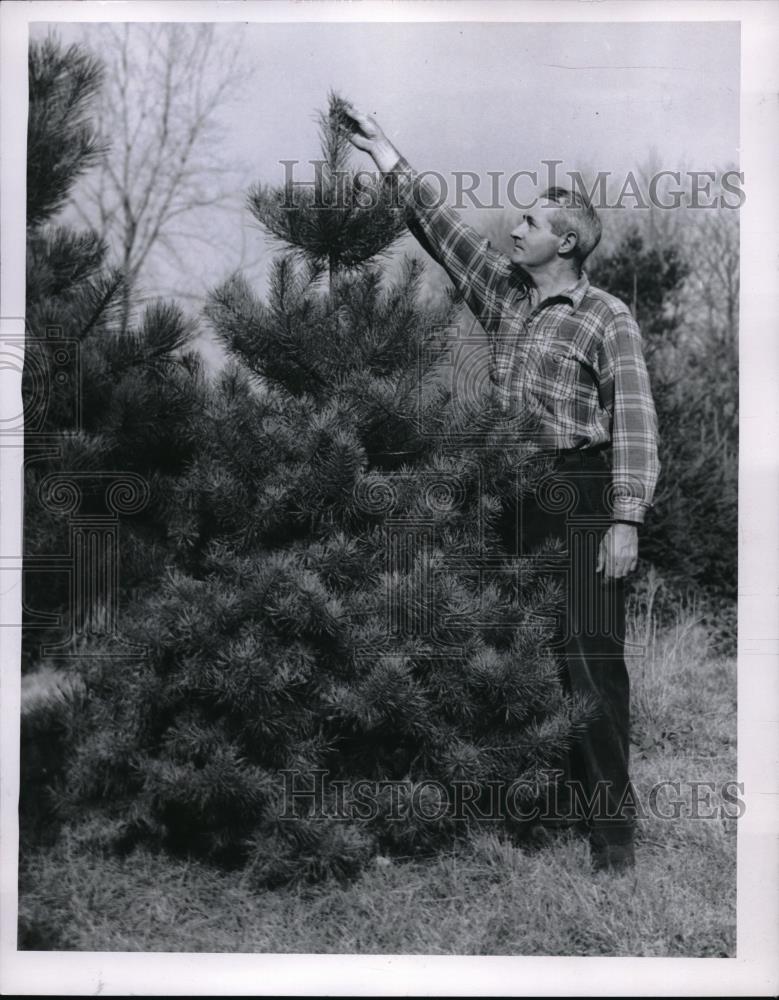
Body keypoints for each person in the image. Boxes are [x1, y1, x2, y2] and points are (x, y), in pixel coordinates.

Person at [343, 104, 660, 872]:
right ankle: (505, 810)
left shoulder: (603, 316)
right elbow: (440, 229)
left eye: (530, 221)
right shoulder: (504, 297)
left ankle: (610, 835)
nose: (513, 230)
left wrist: (625, 520)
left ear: (569, 241)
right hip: (508, 493)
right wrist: (385, 151)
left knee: (589, 656)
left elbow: (635, 419)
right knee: (498, 644)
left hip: (581, 491)